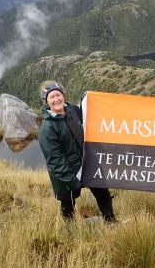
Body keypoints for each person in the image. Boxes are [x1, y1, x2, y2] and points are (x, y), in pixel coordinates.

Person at [38, 81, 116, 222]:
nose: (56, 99)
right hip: (67, 174)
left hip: (87, 164)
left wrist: (89, 99)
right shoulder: (47, 129)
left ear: (63, 96)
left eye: (58, 95)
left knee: (103, 193)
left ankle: (110, 221)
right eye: (51, 97)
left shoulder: (71, 110)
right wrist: (72, 181)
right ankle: (71, 231)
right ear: (47, 102)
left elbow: (88, 116)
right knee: (68, 204)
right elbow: (55, 161)